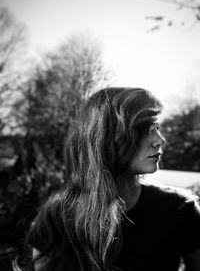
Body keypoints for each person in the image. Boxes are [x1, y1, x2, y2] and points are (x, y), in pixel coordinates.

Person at [15, 87, 200, 271]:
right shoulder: (58, 216)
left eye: (156, 127)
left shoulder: (179, 209)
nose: (160, 140)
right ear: (108, 137)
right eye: (144, 129)